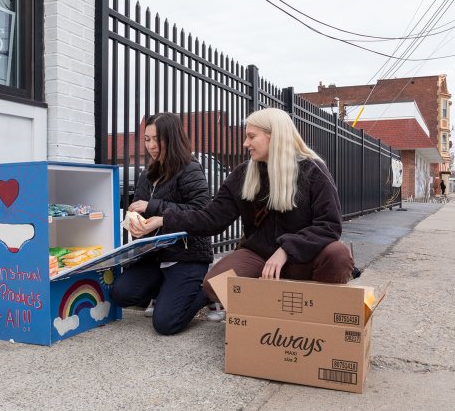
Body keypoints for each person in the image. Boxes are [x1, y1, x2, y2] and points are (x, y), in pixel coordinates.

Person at [130, 108, 355, 322]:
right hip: (259, 253)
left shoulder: (313, 171)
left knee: (338, 254)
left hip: (304, 255)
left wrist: (287, 248)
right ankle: (263, 315)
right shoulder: (243, 174)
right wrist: (164, 218)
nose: (245, 143)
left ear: (274, 137)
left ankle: (321, 318)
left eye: (251, 136)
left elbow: (329, 225)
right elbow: (211, 219)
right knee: (215, 284)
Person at [110, 113, 213, 335]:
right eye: (147, 139)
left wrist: (153, 208)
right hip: (154, 256)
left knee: (166, 324)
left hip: (187, 256)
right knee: (120, 294)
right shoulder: (146, 175)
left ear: (172, 137)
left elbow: (202, 211)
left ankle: (208, 292)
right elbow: (140, 211)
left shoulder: (190, 168)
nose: (151, 145)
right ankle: (165, 291)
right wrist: (135, 225)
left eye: (157, 139)